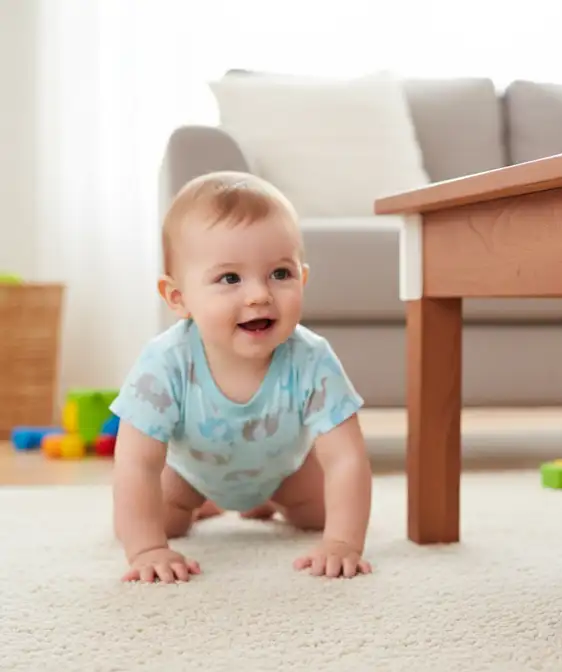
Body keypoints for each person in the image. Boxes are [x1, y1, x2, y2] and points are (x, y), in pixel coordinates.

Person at [110, 171, 373, 583]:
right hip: (189, 474)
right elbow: (135, 464)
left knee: (320, 516)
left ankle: (263, 502)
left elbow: (346, 457)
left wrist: (343, 543)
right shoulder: (165, 363)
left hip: (286, 471)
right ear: (179, 298)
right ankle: (206, 505)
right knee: (154, 519)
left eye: (280, 274)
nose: (259, 295)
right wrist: (147, 548)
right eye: (230, 278)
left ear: (302, 278)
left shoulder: (312, 358)